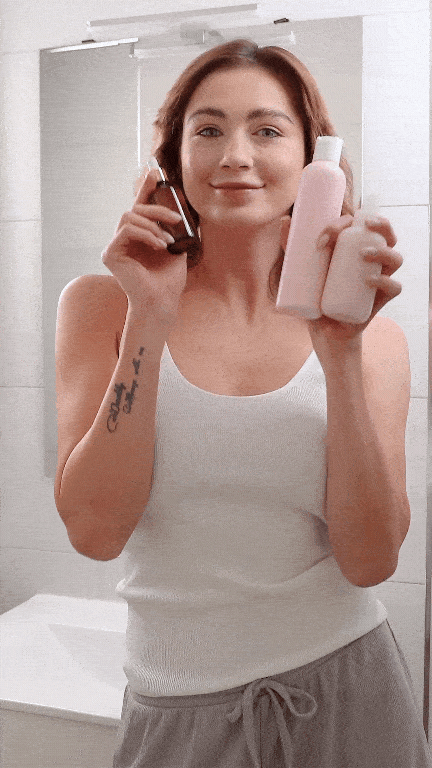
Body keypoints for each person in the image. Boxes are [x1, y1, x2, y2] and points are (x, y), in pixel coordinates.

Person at [54, 39, 431, 768]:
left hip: (350, 697)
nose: (235, 155)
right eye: (208, 129)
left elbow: (370, 558)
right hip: (177, 709)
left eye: (266, 129)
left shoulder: (372, 338)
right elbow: (96, 532)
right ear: (173, 155)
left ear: (313, 158)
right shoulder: (103, 304)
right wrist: (150, 316)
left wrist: (341, 356)